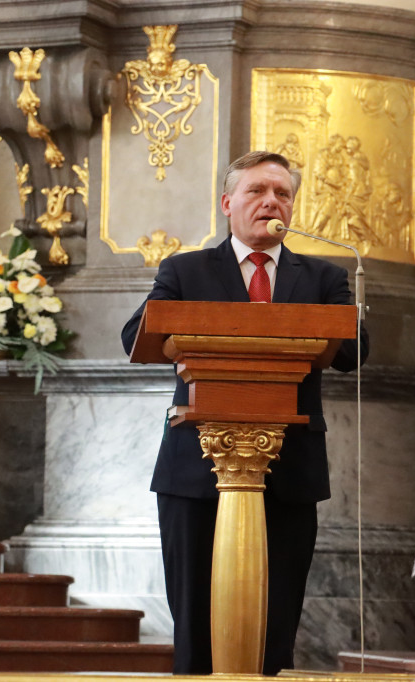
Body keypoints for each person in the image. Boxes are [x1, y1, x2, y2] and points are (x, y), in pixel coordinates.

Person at [121, 150, 368, 675]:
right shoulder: (185, 270)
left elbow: (354, 350)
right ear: (228, 203)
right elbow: (135, 335)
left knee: (275, 616)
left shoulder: (323, 277)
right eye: (257, 191)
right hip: (195, 465)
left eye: (282, 193)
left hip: (289, 464)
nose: (271, 201)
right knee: (195, 612)